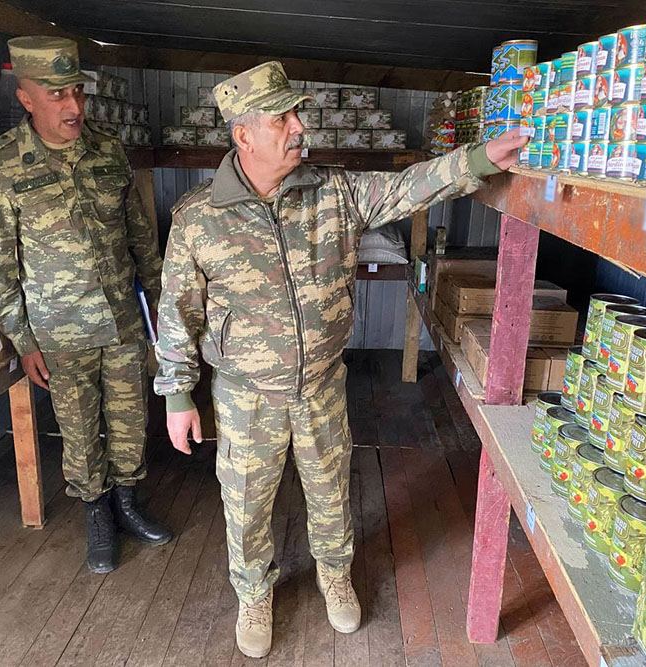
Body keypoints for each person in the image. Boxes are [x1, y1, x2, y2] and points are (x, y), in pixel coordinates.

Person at [155, 61, 526, 658]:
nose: (299, 127)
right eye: (283, 118)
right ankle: (254, 594)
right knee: (245, 502)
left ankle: (334, 575)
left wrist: (480, 160)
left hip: (322, 383)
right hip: (246, 395)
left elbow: (410, 186)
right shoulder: (199, 218)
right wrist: (177, 395)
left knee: (330, 491)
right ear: (244, 134)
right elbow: (177, 313)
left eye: (297, 115)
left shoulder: (334, 192)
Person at [0, 36, 172, 574]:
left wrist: (160, 304)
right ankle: (96, 513)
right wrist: (23, 339)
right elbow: (0, 264)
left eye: (78, 92)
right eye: (58, 94)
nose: (74, 106)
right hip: (60, 330)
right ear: (26, 98)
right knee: (80, 428)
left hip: (123, 320)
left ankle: (127, 501)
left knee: (130, 419)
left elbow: (140, 236)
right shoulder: (2, 166)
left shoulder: (107, 150)